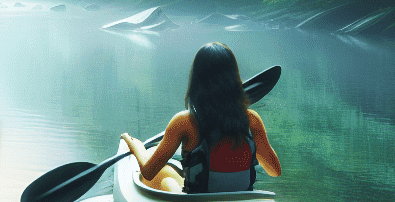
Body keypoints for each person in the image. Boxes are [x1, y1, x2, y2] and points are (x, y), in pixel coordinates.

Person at [119, 42, 281, 194]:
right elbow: (274, 171)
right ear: (234, 77)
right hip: (240, 199)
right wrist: (253, 146)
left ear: (197, 79)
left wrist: (136, 147)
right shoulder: (251, 120)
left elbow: (148, 172)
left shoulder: (184, 122)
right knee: (169, 170)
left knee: (165, 179)